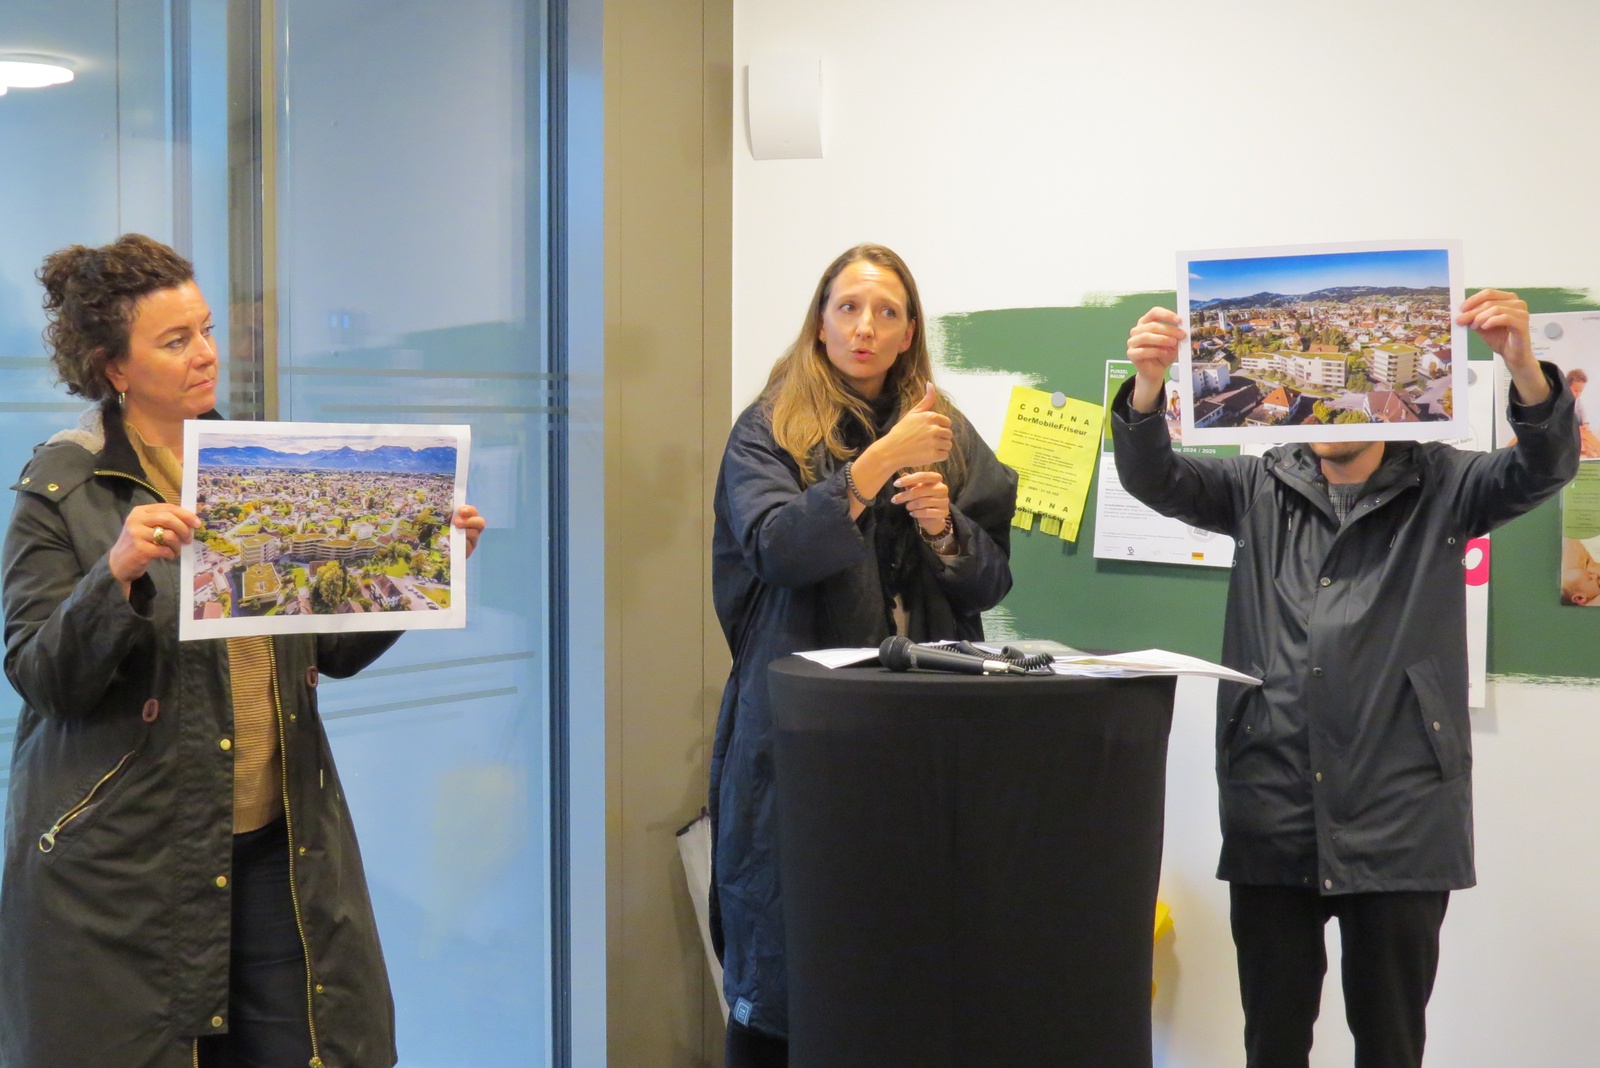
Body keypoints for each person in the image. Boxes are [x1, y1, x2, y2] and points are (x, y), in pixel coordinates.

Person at [0, 234, 488, 1068]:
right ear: (115, 368)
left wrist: (421, 567)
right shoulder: (64, 487)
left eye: (206, 330)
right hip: (128, 863)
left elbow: (330, 649)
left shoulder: (252, 469)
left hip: (279, 842)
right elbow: (43, 676)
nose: (206, 354)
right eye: (175, 340)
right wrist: (115, 575)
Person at [1111, 289, 1578, 1068]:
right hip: (1272, 807)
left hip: (1401, 816)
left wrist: (1524, 367)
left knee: (1391, 1045)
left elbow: (1545, 465)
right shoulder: (1257, 486)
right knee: (1273, 1044)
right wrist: (1151, 383)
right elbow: (1152, 477)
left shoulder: (1446, 485)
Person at [709, 244, 1017, 1066]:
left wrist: (945, 528)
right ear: (820, 320)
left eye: (887, 312)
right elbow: (777, 549)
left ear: (910, 331)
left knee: (908, 956)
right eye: (848, 307)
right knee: (789, 957)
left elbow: (991, 579)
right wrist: (873, 467)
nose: (865, 327)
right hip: (803, 734)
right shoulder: (769, 428)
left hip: (922, 736)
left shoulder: (946, 434)